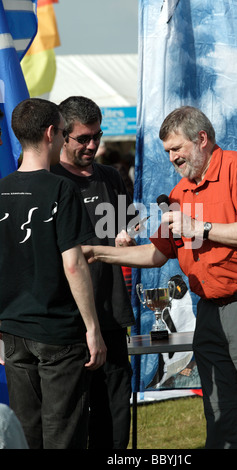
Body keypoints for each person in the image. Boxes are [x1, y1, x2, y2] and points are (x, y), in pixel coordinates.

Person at [82, 106, 237, 449]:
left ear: (202, 139)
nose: (172, 158)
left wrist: (202, 228)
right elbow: (155, 254)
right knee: (221, 415)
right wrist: (97, 253)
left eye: (177, 148)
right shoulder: (181, 192)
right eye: (167, 151)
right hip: (210, 313)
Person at [0, 98, 106, 449]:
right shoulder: (61, 188)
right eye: (63, 132)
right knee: (64, 434)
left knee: (27, 433)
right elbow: (73, 263)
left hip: (13, 332)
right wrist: (93, 328)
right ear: (50, 133)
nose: (63, 139)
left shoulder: (1, 192)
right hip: (58, 333)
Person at [51, 96, 135, 449]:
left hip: (111, 314)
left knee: (114, 412)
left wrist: (128, 235)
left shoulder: (110, 177)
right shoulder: (49, 181)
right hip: (66, 321)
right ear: (61, 136)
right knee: (69, 418)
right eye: (82, 139)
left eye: (97, 136)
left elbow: (127, 228)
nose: (92, 145)